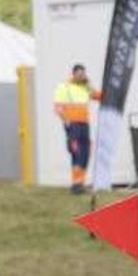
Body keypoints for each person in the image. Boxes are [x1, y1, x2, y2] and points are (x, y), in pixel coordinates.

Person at [54, 64, 101, 195]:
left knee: (85, 153)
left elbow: (99, 97)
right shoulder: (64, 87)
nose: (81, 76)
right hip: (72, 124)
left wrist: (89, 85)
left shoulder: (85, 87)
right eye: (79, 74)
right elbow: (58, 107)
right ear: (73, 74)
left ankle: (79, 183)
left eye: (83, 74)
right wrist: (66, 121)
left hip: (84, 124)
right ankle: (76, 184)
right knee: (76, 152)